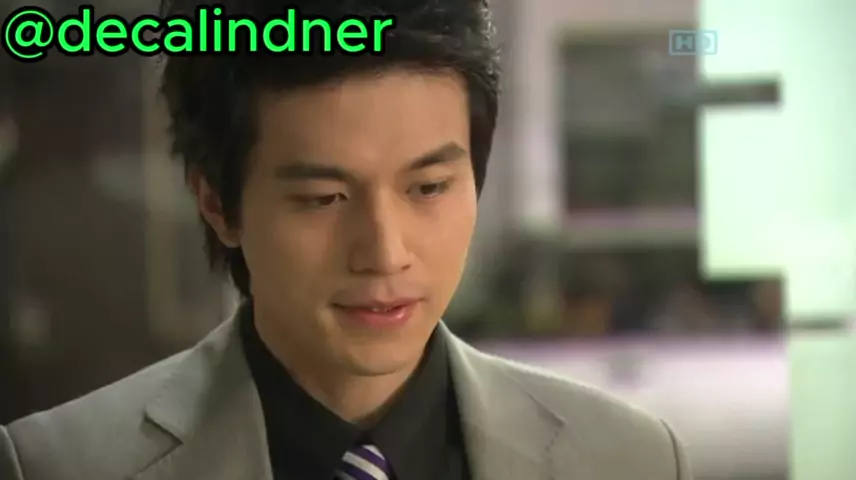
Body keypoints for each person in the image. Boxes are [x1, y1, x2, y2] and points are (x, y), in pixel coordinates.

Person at [0, 0, 693, 479]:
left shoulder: (630, 459)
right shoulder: (58, 465)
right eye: (323, 198)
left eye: (429, 187)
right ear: (216, 202)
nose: (385, 252)